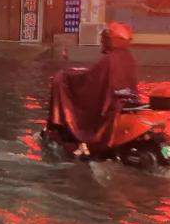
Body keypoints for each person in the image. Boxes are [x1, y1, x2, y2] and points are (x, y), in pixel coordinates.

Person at [48, 21, 139, 157]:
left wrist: (66, 77)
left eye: (104, 39)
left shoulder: (109, 60)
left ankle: (80, 139)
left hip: (110, 105)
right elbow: (97, 78)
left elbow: (89, 82)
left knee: (70, 93)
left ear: (109, 40)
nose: (102, 42)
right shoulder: (127, 58)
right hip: (124, 100)